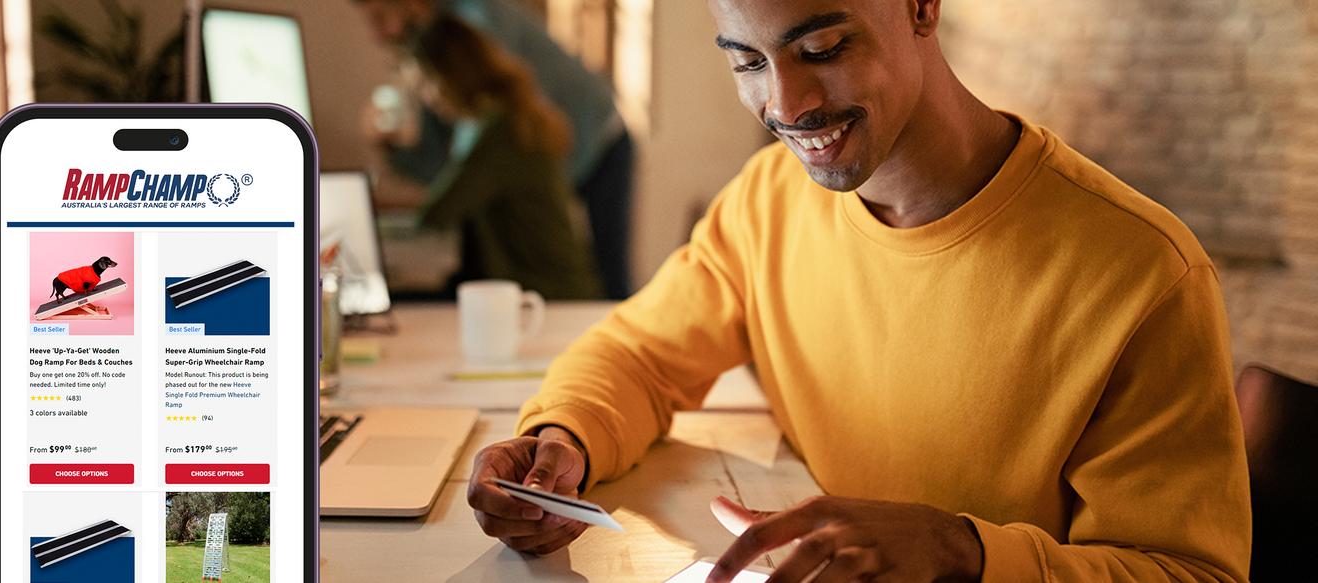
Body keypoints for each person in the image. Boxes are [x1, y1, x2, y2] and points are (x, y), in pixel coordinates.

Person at [463, 0, 1252, 581]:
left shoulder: (1144, 273)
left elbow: (1192, 574)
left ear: (921, 8)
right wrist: (562, 443)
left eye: (824, 47)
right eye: (746, 61)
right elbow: (639, 352)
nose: (784, 104)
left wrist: (961, 551)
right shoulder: (769, 198)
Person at [354, 0, 635, 300]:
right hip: (554, 144)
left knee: (607, 276)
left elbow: (447, 193)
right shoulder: (486, 118)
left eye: (382, 18)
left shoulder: (475, 24)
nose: (379, 35)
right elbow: (447, 170)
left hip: (600, 136)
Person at [405, 16, 602, 300]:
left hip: (550, 297)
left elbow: (436, 213)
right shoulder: (503, 119)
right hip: (548, 290)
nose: (428, 97)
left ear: (452, 75)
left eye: (428, 82)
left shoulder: (499, 132)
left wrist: (396, 151)